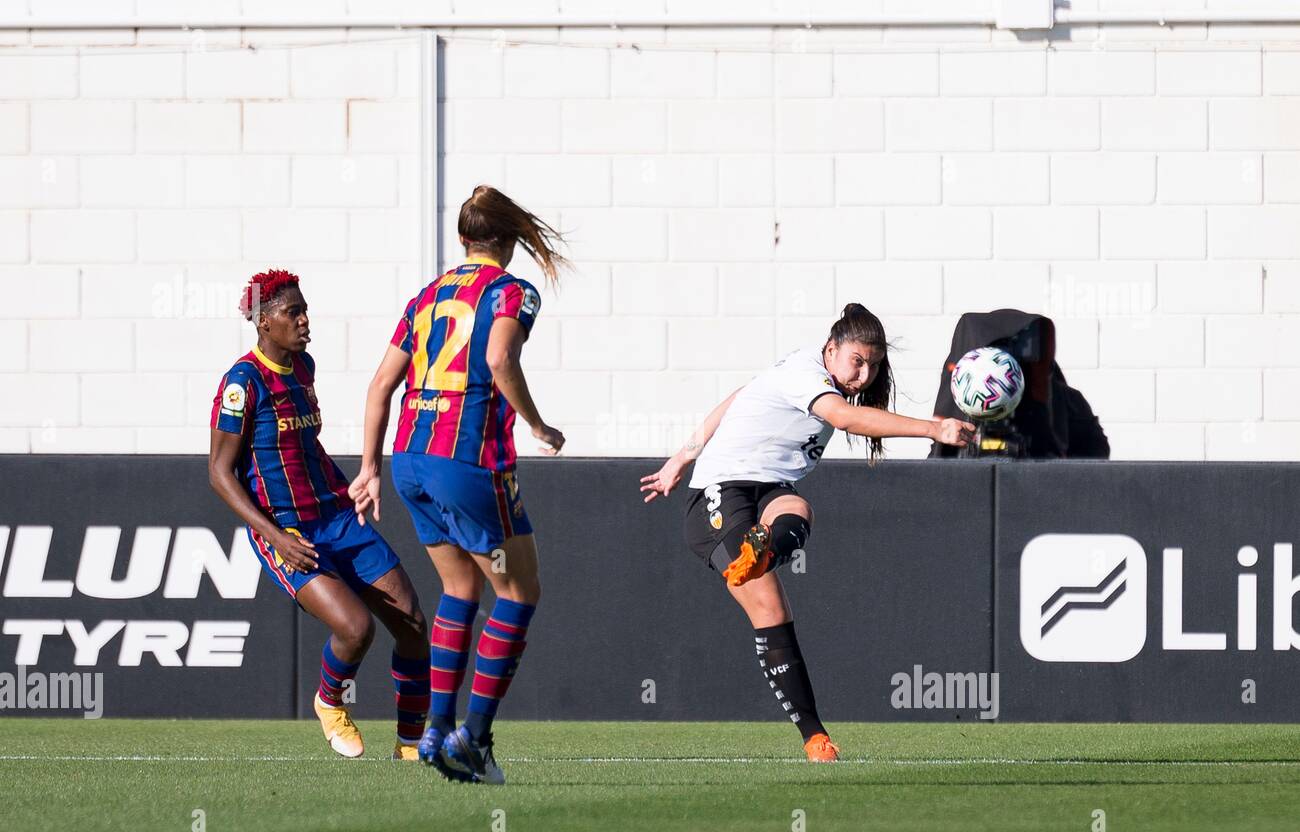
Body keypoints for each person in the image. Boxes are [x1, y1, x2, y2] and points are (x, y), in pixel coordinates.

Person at [640, 304, 974, 761]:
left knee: (798, 511)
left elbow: (741, 395)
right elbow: (844, 418)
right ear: (830, 349)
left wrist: (681, 455)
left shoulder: (806, 372)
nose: (864, 373)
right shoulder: (807, 373)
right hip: (719, 494)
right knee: (770, 609)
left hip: (767, 490)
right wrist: (934, 428)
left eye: (873, 365)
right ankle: (813, 734)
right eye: (857, 360)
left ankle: (760, 552)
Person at [351, 186, 567, 785]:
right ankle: (473, 738)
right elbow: (499, 360)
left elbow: (379, 388)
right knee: (519, 594)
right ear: (509, 239)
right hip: (467, 463)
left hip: (409, 463)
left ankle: (434, 733)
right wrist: (538, 423)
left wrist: (368, 468)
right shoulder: (512, 291)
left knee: (458, 588)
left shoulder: (427, 296)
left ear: (463, 239)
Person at [208, 269, 430, 760]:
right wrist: (276, 537)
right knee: (355, 628)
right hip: (287, 531)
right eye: (293, 312)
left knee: (413, 622)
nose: (305, 319)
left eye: (305, 309)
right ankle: (329, 702)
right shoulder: (241, 383)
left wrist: (348, 483)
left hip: (336, 516)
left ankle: (411, 743)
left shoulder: (304, 366)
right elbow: (220, 474)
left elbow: (305, 445)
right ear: (264, 323)